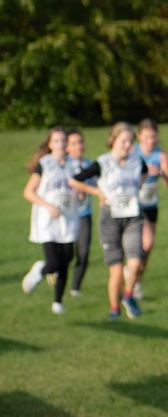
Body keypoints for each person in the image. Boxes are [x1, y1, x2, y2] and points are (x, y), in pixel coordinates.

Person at [22, 127, 84, 314]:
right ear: (49, 144)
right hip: (48, 220)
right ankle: (40, 270)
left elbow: (80, 191)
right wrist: (47, 205)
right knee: (54, 262)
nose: (60, 144)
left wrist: (80, 194)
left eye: (63, 140)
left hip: (68, 219)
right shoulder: (44, 164)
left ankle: (58, 301)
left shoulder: (74, 165)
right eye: (56, 141)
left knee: (67, 259)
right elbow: (28, 192)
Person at [90, 123, 149, 320]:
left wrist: (136, 189)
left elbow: (145, 172)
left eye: (130, 141)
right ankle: (114, 309)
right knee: (116, 270)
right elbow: (75, 180)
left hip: (132, 215)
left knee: (135, 261)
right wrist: (98, 193)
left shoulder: (136, 160)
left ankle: (128, 295)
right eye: (123, 141)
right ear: (113, 139)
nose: (127, 145)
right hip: (110, 218)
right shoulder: (102, 162)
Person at [134, 119, 168, 296]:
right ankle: (131, 276)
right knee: (146, 242)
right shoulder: (132, 152)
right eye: (146, 137)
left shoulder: (161, 155)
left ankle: (136, 282)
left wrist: (161, 173)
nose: (150, 141)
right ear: (139, 137)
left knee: (148, 249)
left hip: (151, 205)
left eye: (153, 137)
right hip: (134, 206)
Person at [65, 129, 94, 298]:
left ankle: (75, 288)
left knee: (83, 253)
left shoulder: (89, 164)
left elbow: (100, 183)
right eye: (74, 143)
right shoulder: (65, 165)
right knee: (66, 254)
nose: (78, 146)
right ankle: (56, 272)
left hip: (84, 213)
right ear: (67, 147)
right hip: (67, 215)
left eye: (80, 142)